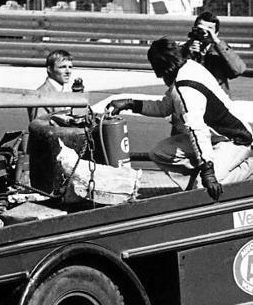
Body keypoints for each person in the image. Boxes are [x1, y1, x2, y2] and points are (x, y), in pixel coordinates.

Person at [107, 38, 253, 200]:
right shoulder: (188, 68)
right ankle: (196, 186)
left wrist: (208, 170)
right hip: (215, 138)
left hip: (235, 140)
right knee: (160, 153)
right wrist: (130, 104)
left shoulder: (185, 87)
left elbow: (197, 129)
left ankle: (246, 169)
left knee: (204, 187)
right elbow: (164, 107)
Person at [184, 11, 245, 93]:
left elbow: (238, 70)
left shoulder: (221, 52)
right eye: (201, 29)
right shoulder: (185, 49)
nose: (204, 33)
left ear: (216, 33)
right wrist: (187, 54)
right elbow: (171, 78)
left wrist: (217, 42)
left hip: (217, 100)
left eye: (209, 30)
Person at [28, 49, 76, 122]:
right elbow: (39, 127)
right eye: (62, 67)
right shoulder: (41, 94)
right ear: (50, 69)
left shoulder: (68, 91)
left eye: (70, 67)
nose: (68, 71)